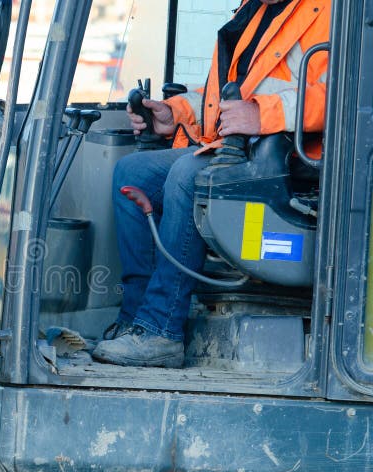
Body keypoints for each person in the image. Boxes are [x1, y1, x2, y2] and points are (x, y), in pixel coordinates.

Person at [93, 0, 330, 368]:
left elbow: (350, 95)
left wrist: (262, 114)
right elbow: (226, 99)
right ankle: (136, 320)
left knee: (189, 176)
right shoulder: (253, 12)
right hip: (239, 148)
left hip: (291, 160)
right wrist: (176, 114)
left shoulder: (333, 12)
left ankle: (161, 329)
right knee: (132, 172)